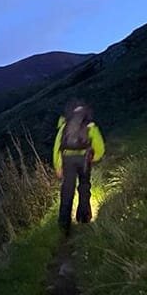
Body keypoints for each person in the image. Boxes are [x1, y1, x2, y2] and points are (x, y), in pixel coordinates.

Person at [53, 99, 105, 233]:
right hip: (84, 159)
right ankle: (84, 217)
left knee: (67, 190)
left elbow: (57, 147)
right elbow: (100, 147)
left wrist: (58, 166)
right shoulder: (90, 125)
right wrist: (94, 157)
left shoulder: (64, 125)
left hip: (67, 159)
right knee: (84, 186)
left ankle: (64, 224)